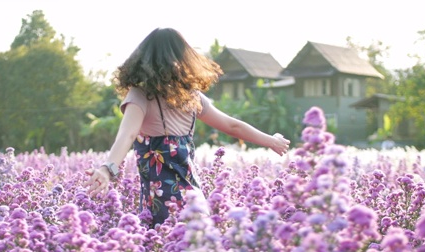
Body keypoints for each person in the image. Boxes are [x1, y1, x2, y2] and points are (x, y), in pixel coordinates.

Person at [84, 28, 290, 227]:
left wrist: (107, 168)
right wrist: (271, 140)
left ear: (142, 60)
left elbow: (127, 135)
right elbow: (232, 126)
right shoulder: (191, 97)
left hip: (162, 204)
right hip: (194, 199)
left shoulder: (140, 95)